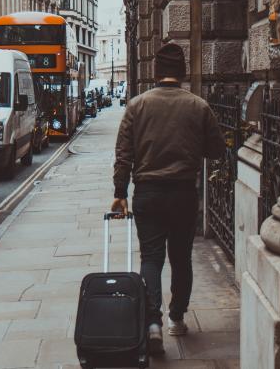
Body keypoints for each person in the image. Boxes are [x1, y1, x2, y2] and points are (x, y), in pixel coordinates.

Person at [111, 42, 226, 354]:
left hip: (147, 193)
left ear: (156, 71)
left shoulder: (136, 105)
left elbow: (123, 155)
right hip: (182, 193)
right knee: (180, 258)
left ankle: (152, 324)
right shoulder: (198, 106)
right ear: (182, 72)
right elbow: (216, 150)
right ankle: (177, 318)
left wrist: (120, 194)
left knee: (150, 258)